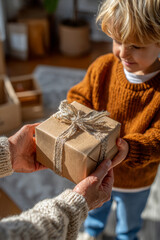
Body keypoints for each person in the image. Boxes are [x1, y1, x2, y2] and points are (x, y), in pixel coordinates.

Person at [67, 0, 160, 239]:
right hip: (95, 168)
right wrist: (76, 113)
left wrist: (131, 148)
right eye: (117, 41)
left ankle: (128, 235)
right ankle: (92, 232)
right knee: (94, 210)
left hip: (136, 180)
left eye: (136, 46)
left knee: (129, 221)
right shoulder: (103, 67)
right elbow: (79, 96)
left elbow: (157, 139)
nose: (123, 53)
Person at [0, 123, 127, 240]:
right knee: (98, 214)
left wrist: (10, 153)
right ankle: (93, 233)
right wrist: (75, 205)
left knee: (128, 219)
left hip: (134, 185)